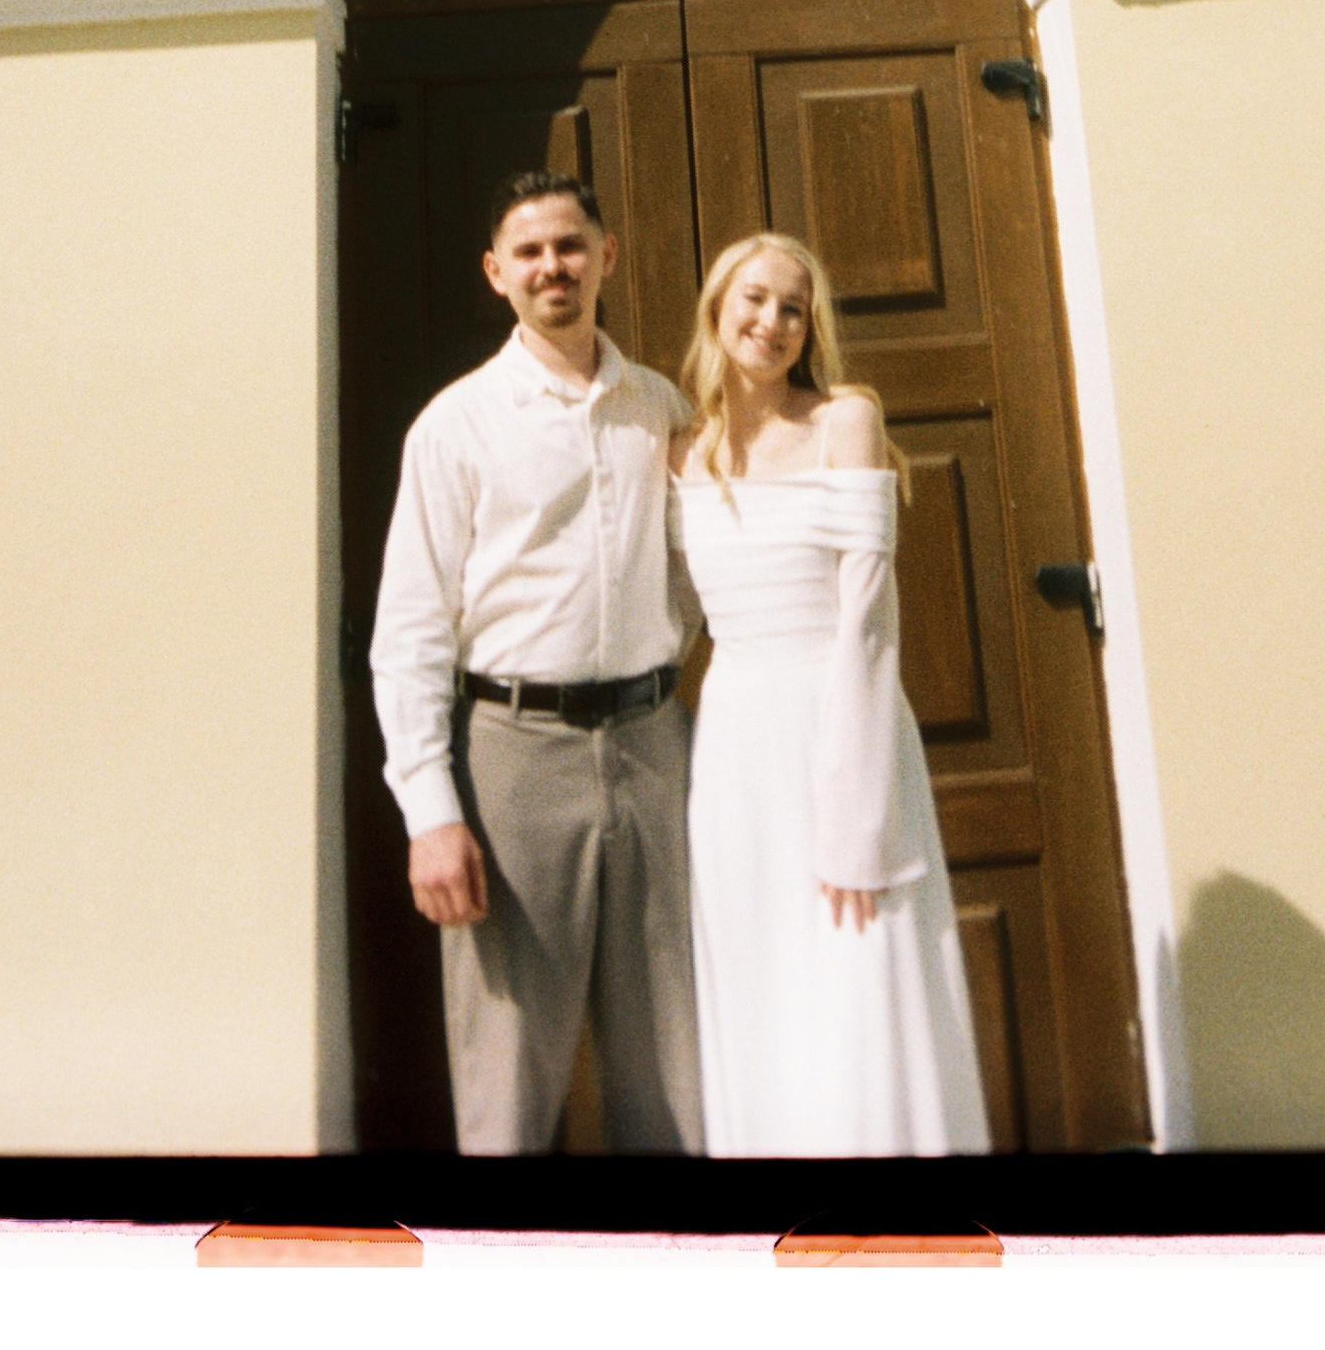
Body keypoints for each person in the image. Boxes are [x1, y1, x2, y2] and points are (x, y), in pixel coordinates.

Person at [369, 171, 704, 1155]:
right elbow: (411, 632)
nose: (551, 265)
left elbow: (697, 579)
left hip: (653, 747)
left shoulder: (660, 407)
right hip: (515, 756)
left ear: (608, 255)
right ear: (496, 273)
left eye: (569, 245)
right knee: (510, 1081)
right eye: (529, 251)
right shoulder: (455, 426)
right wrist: (431, 814)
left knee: (672, 1067)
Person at [669, 232, 991, 1155]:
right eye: (755, 299)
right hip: (735, 746)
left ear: (813, 331)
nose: (771, 322)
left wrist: (857, 816)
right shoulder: (682, 452)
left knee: (859, 967)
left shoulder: (842, 422)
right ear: (718, 307)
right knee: (765, 979)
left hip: (838, 722)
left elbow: (868, 623)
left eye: (793, 309)